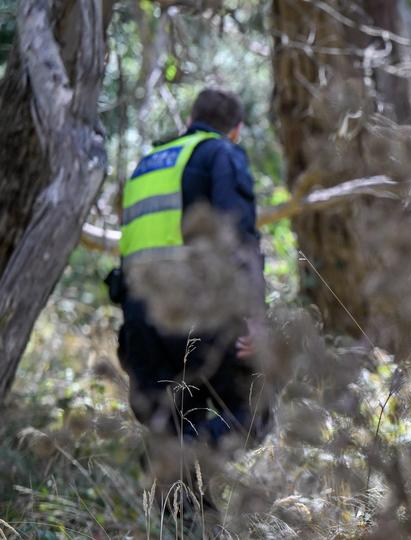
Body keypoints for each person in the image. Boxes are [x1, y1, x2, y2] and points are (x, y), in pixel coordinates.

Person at [108, 88, 268, 452]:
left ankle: (181, 477)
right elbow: (238, 236)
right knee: (254, 413)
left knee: (173, 427)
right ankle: (190, 455)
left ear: (189, 122)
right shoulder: (221, 153)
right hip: (198, 312)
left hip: (141, 321)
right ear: (236, 130)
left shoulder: (146, 165)